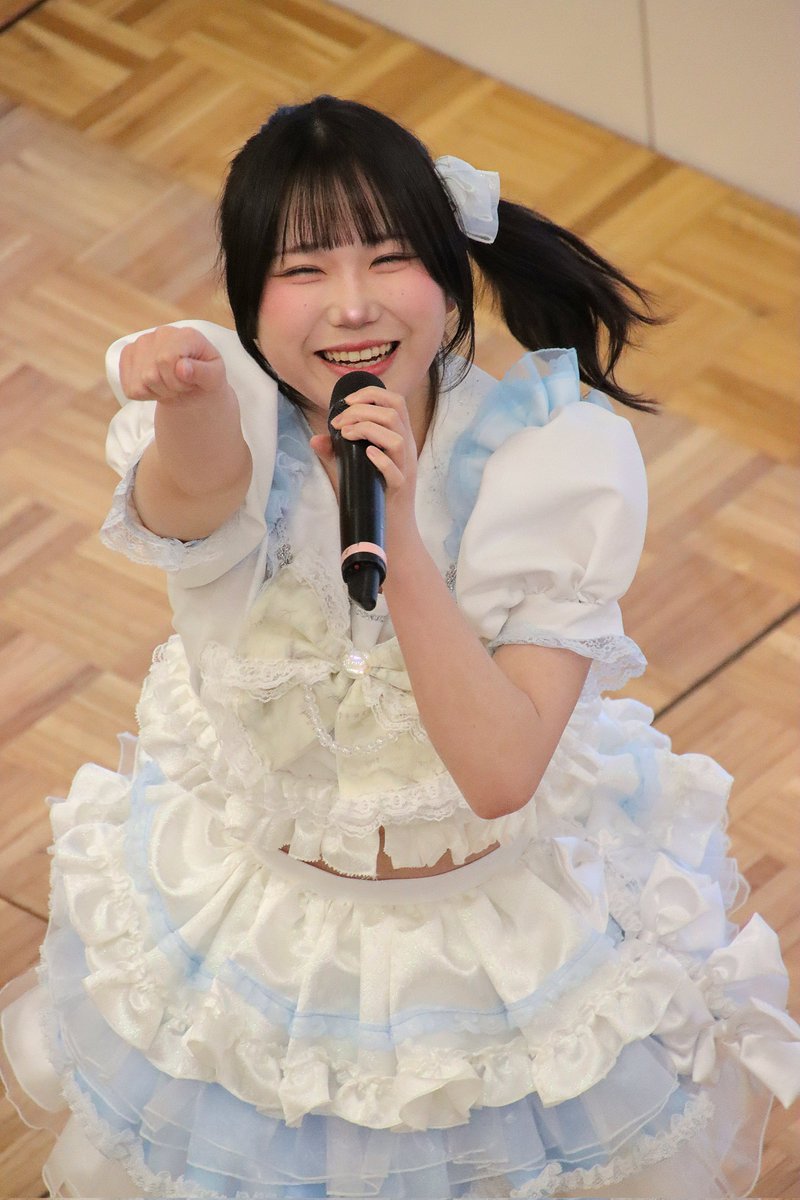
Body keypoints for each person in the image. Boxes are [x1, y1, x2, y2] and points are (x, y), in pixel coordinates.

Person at [1, 94, 798, 1200]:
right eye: (304, 270)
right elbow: (192, 495)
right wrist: (185, 394)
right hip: (266, 944)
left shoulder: (549, 460)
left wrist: (406, 538)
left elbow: (499, 772)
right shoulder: (232, 416)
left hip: (486, 954)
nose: (352, 305)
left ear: (448, 276)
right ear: (249, 302)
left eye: (388, 259)